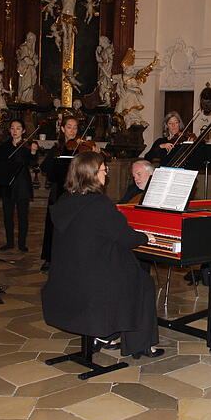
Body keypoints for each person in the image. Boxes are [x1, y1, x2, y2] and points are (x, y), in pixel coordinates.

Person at [41, 151, 164, 359]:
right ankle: (141, 345)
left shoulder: (65, 199)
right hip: (93, 279)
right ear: (91, 174)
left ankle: (106, 335)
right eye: (103, 170)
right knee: (143, 282)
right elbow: (126, 238)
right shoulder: (99, 203)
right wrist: (145, 237)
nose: (106, 174)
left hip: (68, 274)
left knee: (126, 271)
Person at [39, 116, 99, 271]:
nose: (72, 131)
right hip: (59, 191)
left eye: (75, 127)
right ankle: (50, 258)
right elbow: (45, 168)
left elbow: (92, 168)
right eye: (69, 127)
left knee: (74, 226)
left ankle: (72, 257)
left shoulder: (82, 148)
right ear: (62, 129)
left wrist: (95, 155)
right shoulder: (57, 148)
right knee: (53, 225)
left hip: (77, 191)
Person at [0, 120, 39, 252]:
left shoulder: (27, 146)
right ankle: (9, 242)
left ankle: (22, 243)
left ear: (23, 131)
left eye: (18, 128)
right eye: (12, 128)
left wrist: (33, 153)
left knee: (23, 216)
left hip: (22, 184)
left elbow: (33, 164)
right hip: (7, 183)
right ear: (9, 130)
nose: (15, 131)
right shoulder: (4, 146)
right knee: (7, 216)